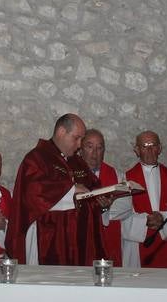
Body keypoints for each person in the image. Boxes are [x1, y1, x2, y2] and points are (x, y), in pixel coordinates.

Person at [6, 113, 104, 265]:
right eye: (76, 138)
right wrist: (71, 190)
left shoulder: (77, 162)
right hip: (49, 238)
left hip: (79, 240)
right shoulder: (36, 158)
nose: (79, 145)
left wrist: (101, 200)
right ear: (61, 132)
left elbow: (93, 187)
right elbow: (33, 193)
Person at [109, 131, 167, 268]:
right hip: (137, 247)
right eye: (144, 146)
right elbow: (120, 215)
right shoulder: (125, 180)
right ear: (137, 150)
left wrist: (163, 218)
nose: (149, 150)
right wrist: (145, 222)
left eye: (153, 145)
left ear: (160, 148)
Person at [81, 128, 124, 265]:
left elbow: (126, 206)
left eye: (99, 148)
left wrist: (106, 209)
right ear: (80, 148)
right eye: (90, 147)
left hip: (108, 240)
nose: (95, 153)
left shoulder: (116, 175)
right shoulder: (70, 173)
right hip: (80, 240)